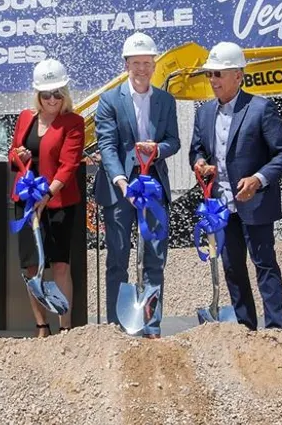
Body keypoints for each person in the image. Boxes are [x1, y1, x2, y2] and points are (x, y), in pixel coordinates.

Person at [190, 41, 282, 331]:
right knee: (232, 268)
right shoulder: (204, 113)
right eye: (210, 74)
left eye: (218, 74)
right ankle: (245, 328)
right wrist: (200, 163)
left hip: (256, 203)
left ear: (238, 75)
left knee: (264, 265)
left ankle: (276, 330)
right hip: (222, 205)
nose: (213, 80)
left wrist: (258, 179)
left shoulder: (261, 109)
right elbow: (196, 150)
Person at [93, 32, 180, 338]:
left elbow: (174, 141)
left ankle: (151, 324)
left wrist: (157, 150)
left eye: (148, 62)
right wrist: (120, 181)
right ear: (126, 64)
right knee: (118, 258)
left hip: (153, 186)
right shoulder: (109, 100)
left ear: (154, 64)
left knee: (155, 257)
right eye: (137, 62)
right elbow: (106, 144)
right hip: (119, 191)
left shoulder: (165, 100)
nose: (143, 68)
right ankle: (118, 328)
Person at [10, 58, 85, 337]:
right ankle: (41, 326)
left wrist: (47, 193)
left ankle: (65, 327)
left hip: (57, 203)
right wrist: (20, 157)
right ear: (38, 95)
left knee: (61, 266)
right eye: (46, 94)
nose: (52, 99)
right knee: (32, 267)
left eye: (57, 93)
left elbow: (69, 164)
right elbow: (13, 152)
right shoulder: (25, 118)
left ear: (64, 93)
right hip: (26, 201)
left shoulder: (73, 122)